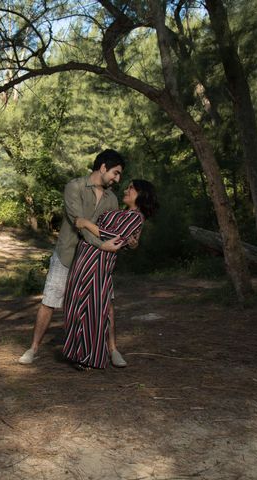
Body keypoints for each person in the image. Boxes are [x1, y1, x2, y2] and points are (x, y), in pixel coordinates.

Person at [18, 149, 128, 366]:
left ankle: (113, 349)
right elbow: (80, 224)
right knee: (50, 300)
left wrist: (125, 241)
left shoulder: (112, 199)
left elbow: (110, 230)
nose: (117, 179)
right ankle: (33, 349)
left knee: (107, 303)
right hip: (67, 256)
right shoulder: (74, 186)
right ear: (103, 167)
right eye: (115, 173)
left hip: (95, 260)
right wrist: (103, 243)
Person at [63, 179, 159, 370]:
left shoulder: (136, 217)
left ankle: (89, 358)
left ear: (142, 194)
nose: (127, 190)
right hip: (85, 257)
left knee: (93, 310)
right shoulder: (121, 212)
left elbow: (111, 236)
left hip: (99, 263)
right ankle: (77, 353)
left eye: (131, 188)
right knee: (76, 304)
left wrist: (85, 223)